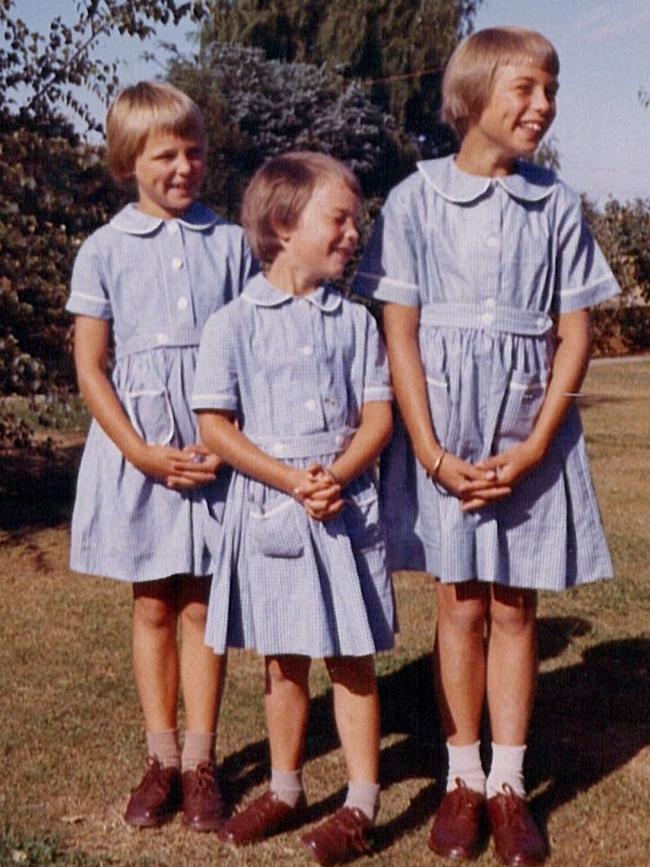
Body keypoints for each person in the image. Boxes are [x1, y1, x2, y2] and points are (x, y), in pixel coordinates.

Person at [354, 27, 620, 866]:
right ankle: (460, 776)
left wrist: (538, 443)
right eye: (525, 90)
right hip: (445, 432)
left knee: (514, 607)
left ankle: (510, 783)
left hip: (527, 435)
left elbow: (574, 336)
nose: (542, 106)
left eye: (550, 92)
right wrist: (429, 452)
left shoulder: (557, 204)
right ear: (472, 98)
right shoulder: (414, 200)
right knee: (460, 602)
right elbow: (399, 336)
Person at [191, 151, 395, 866]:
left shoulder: (357, 323)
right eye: (338, 219)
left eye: (356, 221)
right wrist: (287, 479)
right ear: (282, 225)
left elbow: (377, 416)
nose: (352, 234)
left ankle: (362, 800)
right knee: (284, 661)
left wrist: (333, 475)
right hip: (274, 512)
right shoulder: (233, 323)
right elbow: (215, 425)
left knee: (351, 659)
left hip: (342, 509)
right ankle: (285, 787)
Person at [66, 81, 254, 831]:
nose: (184, 167)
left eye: (195, 152)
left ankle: (204, 761)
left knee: (205, 605)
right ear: (128, 160)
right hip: (139, 449)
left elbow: (249, 348)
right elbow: (90, 367)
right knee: (152, 601)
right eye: (166, 154)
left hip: (214, 450)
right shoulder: (104, 248)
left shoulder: (231, 243)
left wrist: (227, 439)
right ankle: (162, 757)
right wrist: (141, 453)